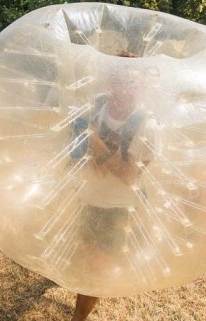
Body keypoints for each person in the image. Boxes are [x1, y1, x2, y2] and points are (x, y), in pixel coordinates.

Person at [69, 50, 158, 321]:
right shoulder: (92, 109)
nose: (127, 89)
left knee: (95, 269)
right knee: (85, 259)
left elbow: (131, 175)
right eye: (121, 81)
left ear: (142, 85)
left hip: (118, 208)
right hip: (86, 198)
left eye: (134, 82)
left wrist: (97, 145)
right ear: (110, 82)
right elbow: (73, 150)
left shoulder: (147, 125)